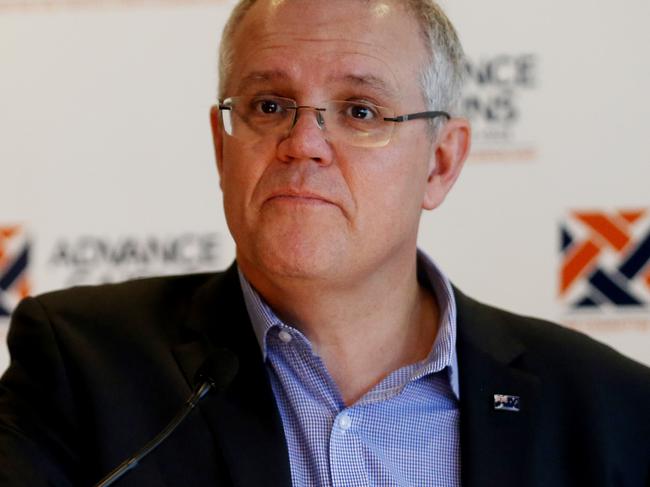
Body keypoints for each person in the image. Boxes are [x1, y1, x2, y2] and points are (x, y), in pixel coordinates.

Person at [1, 0, 649, 486]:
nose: (303, 143)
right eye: (269, 105)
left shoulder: (610, 407)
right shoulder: (81, 366)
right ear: (221, 147)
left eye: (360, 110)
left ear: (441, 162)